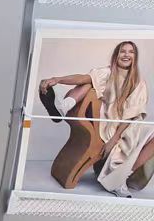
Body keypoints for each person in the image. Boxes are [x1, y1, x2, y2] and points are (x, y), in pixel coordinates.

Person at [39, 41, 154, 197]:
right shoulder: (107, 72)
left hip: (126, 125)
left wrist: (113, 140)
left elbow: (131, 116)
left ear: (135, 57)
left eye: (131, 52)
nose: (126, 54)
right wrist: (58, 79)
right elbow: (82, 78)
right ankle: (62, 108)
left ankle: (122, 177)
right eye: (122, 51)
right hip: (106, 122)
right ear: (116, 55)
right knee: (88, 81)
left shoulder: (138, 83)